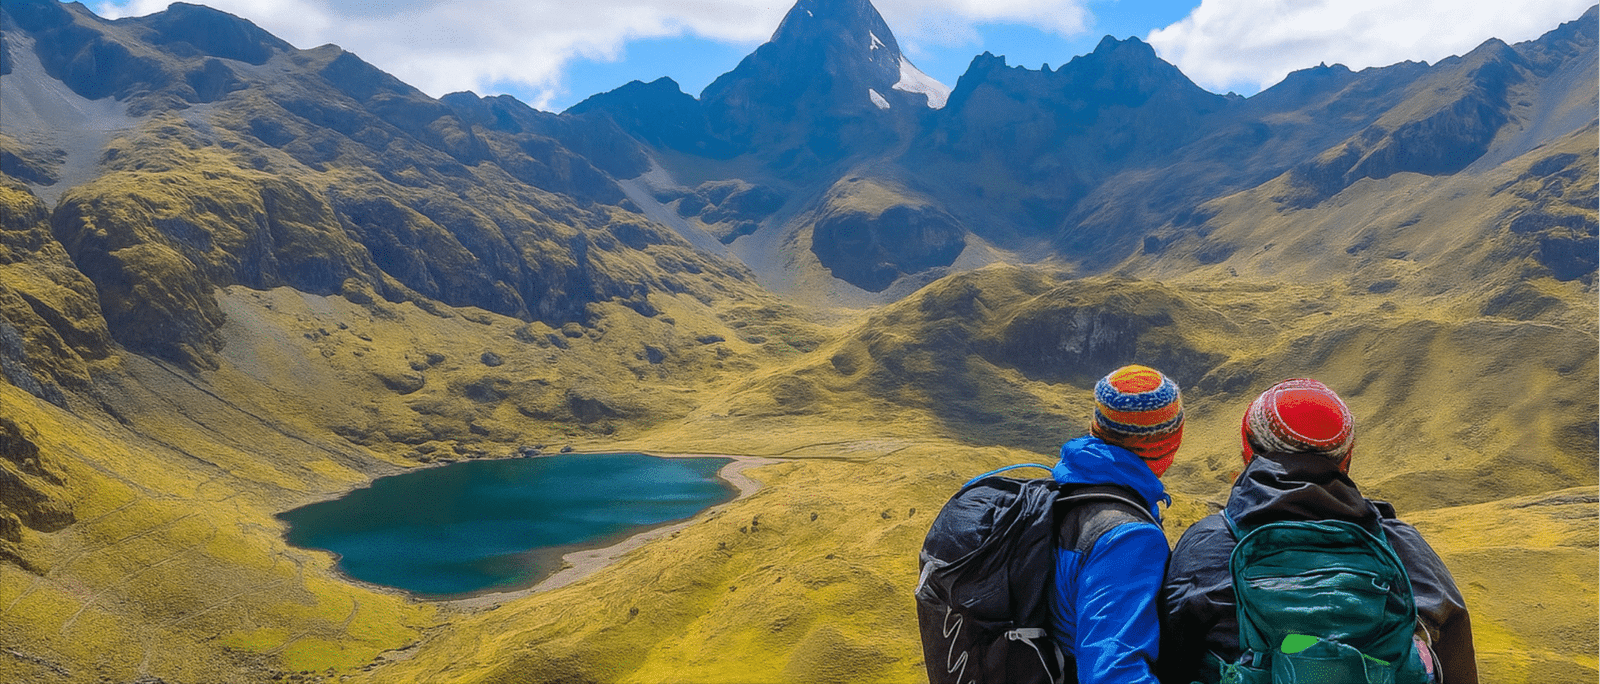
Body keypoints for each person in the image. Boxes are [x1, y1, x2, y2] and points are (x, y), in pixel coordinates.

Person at [1158, 378, 1478, 684]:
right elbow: (1456, 657)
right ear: (1346, 459)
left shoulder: (1207, 544)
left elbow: (1170, 663)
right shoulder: (1403, 546)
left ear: (1250, 453)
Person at [1047, 364, 1184, 684]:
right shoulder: (1127, 539)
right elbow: (1114, 673)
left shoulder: (1067, 488)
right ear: (1167, 445)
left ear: (1096, 427)